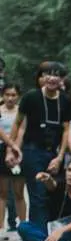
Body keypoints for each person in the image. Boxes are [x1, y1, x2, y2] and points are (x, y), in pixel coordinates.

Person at [8, 61, 71, 225]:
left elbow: (66, 130)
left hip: (54, 153)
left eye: (56, 75)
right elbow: (18, 123)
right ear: (42, 77)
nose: (52, 78)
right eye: (48, 74)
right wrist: (11, 148)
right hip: (33, 151)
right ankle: (38, 232)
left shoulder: (65, 100)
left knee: (55, 191)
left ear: (62, 80)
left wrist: (60, 157)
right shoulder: (31, 97)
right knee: (37, 194)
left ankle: (52, 229)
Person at [15, 156, 71, 241]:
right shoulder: (60, 185)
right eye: (69, 170)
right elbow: (52, 185)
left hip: (68, 231)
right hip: (49, 230)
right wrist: (47, 179)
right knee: (23, 227)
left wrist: (61, 231)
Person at [0, 83, 25, 232]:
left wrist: (15, 149)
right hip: (1, 148)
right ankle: (1, 228)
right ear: (2, 96)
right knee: (2, 192)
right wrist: (10, 146)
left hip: (18, 150)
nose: (10, 98)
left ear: (18, 96)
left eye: (13, 95)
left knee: (19, 192)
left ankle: (24, 227)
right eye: (7, 95)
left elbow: (22, 130)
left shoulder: (22, 111)